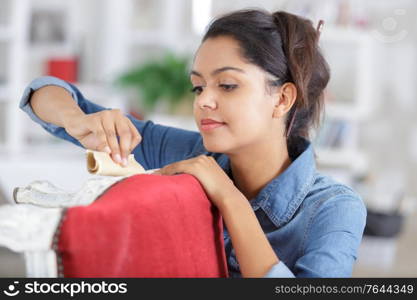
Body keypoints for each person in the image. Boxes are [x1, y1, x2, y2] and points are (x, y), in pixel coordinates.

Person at [19, 9, 366, 278]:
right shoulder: (191, 153)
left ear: (282, 99)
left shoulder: (334, 208)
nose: (203, 102)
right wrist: (79, 121)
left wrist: (228, 197)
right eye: (198, 87)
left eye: (227, 85)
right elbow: (43, 92)